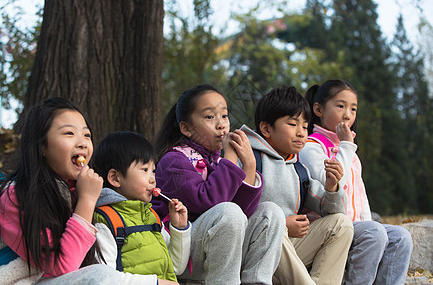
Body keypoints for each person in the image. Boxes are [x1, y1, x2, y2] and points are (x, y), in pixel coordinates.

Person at [0, 97, 164, 284]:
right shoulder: (14, 196)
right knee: (102, 276)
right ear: (42, 146)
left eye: (86, 135)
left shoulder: (73, 191)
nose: (83, 143)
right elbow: (63, 265)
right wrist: (86, 201)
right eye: (69, 133)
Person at [152, 84, 285, 285]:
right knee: (228, 212)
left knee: (271, 213)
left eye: (224, 115)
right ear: (186, 128)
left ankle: (256, 281)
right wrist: (230, 158)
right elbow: (211, 202)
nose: (221, 124)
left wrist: (249, 165)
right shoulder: (174, 161)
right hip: (181, 251)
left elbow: (243, 211)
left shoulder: (215, 161)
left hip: (214, 243)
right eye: (209, 117)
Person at [299, 79, 413, 285]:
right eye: (340, 106)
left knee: (400, 237)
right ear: (318, 109)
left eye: (353, 108)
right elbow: (333, 187)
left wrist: (369, 223)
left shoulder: (349, 148)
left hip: (358, 226)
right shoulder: (311, 147)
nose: (347, 114)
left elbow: (360, 195)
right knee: (374, 233)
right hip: (330, 226)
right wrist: (345, 145)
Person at [240, 85, 354, 285]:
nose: (302, 133)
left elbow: (334, 211)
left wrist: (331, 188)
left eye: (304, 125)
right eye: (293, 124)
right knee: (271, 215)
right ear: (266, 129)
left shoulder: (299, 170)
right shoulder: (249, 159)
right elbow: (236, 213)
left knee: (341, 225)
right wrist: (282, 225)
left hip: (289, 254)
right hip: (253, 254)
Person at [91, 131, 191, 283]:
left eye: (154, 171)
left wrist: (179, 229)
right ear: (115, 178)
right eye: (145, 170)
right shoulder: (106, 221)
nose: (153, 179)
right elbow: (105, 278)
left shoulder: (151, 216)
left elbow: (176, 267)